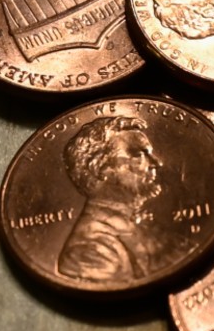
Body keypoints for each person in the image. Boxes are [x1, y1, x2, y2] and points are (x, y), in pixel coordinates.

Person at [57, 116, 167, 283]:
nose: (156, 163)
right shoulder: (88, 251)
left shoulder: (141, 228)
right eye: (138, 155)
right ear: (100, 168)